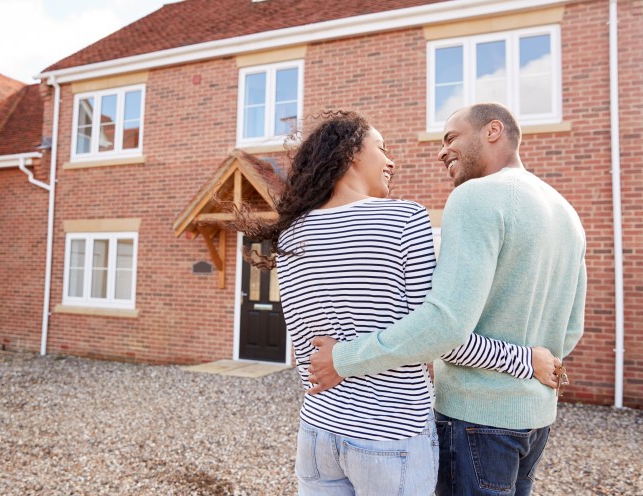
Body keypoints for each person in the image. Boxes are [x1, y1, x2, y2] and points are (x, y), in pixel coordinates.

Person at [238, 109, 560, 496]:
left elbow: (306, 345)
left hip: (317, 432)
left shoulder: (292, 234)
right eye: (382, 148)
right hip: (389, 438)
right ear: (352, 153)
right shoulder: (402, 219)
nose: (391, 161)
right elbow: (440, 333)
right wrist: (526, 360)